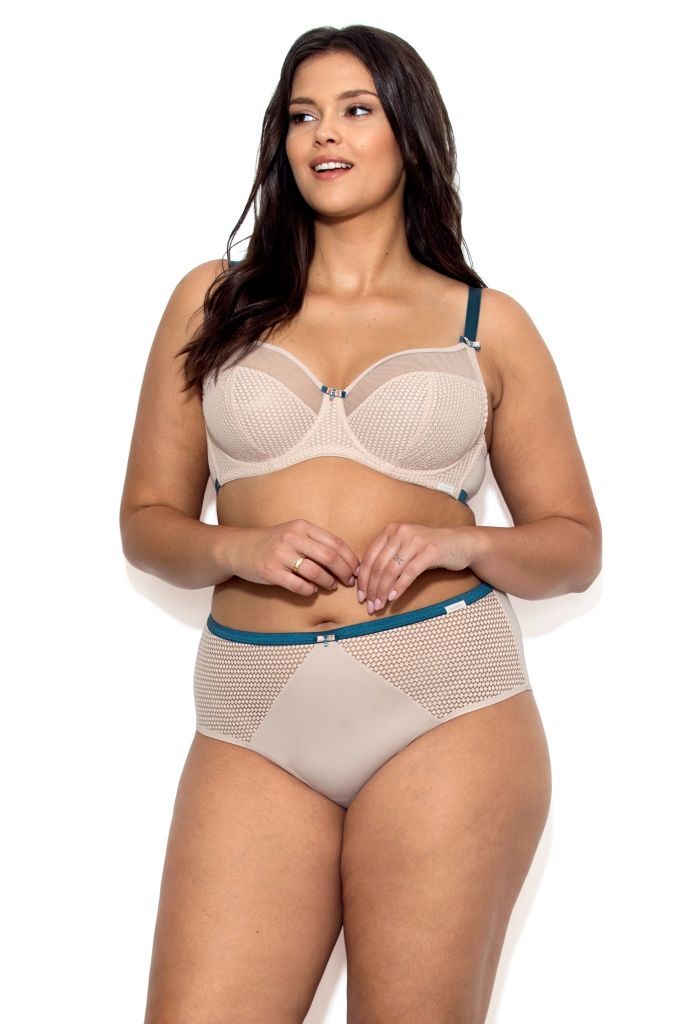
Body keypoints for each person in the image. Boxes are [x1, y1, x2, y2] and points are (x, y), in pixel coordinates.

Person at [120, 23, 602, 1024]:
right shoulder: (212, 302)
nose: (323, 134)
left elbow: (572, 545)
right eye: (301, 114)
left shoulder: (485, 324)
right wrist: (237, 547)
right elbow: (145, 521)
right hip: (252, 712)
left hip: (444, 703)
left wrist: (464, 541)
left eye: (354, 109)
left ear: (408, 135)